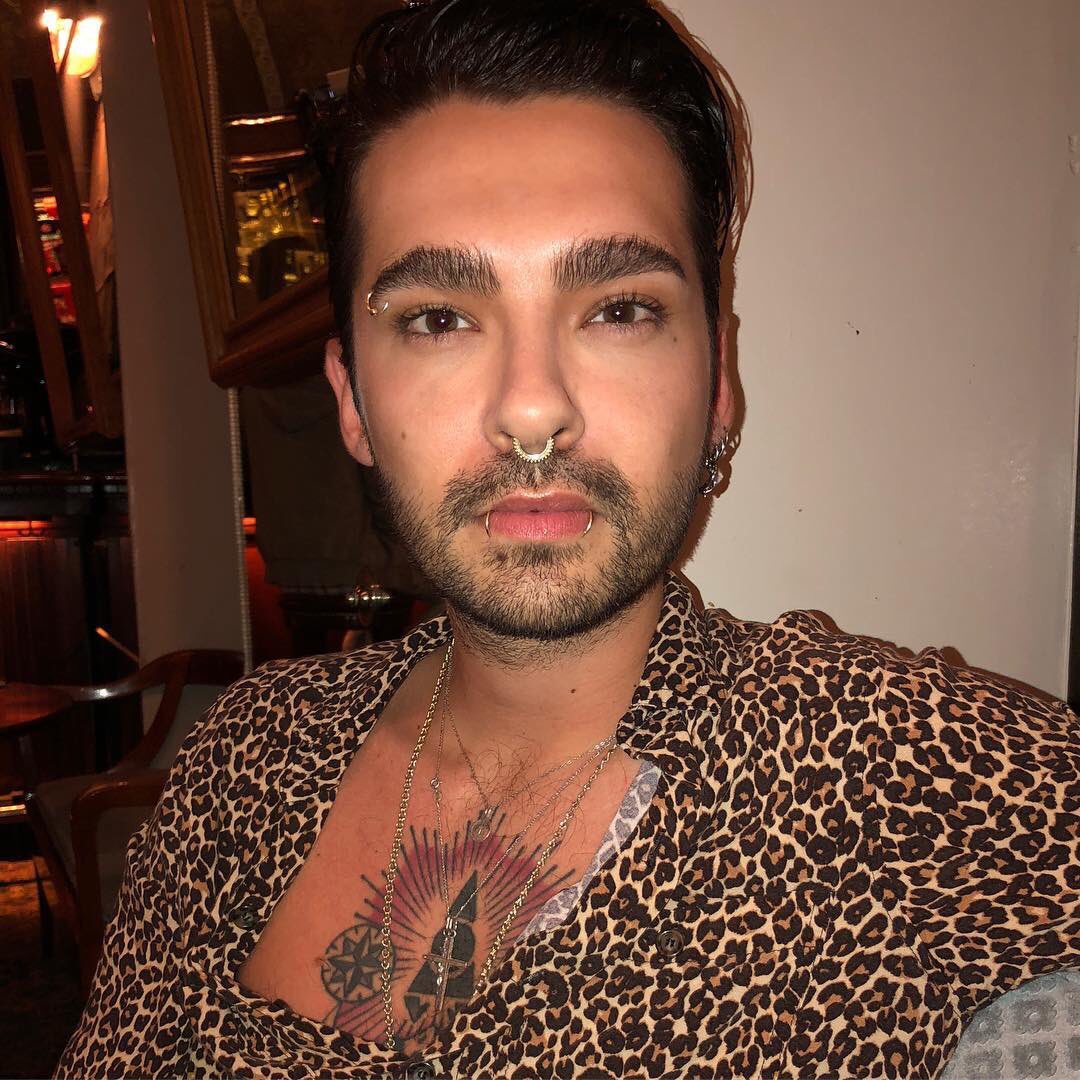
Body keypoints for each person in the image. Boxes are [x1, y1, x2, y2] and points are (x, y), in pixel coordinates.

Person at [57, 1, 1079, 1077]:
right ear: (351, 397)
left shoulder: (899, 775)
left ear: (718, 381)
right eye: (439, 319)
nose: (533, 409)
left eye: (620, 310)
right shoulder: (244, 757)